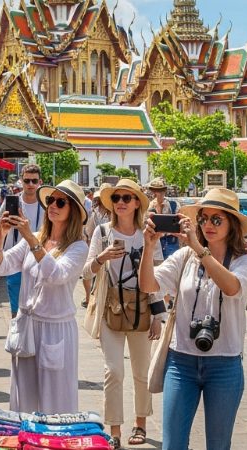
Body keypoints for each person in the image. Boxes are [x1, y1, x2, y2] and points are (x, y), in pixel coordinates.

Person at [139, 188, 247, 450]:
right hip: (181, 361)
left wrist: (198, 247)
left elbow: (232, 288)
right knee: (173, 445)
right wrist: (148, 247)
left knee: (218, 444)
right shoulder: (184, 258)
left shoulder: (246, 260)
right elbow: (148, 285)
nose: (208, 225)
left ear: (233, 225)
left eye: (217, 219)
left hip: (224, 363)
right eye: (203, 218)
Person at [0, 180, 88, 414]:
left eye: (60, 202)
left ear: (72, 210)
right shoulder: (33, 238)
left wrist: (32, 240)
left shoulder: (78, 247)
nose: (53, 205)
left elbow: (56, 275)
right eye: (50, 200)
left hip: (56, 329)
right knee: (25, 399)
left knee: (56, 400)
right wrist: (1, 236)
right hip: (27, 326)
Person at [82, 179, 164, 449]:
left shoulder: (147, 233)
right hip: (111, 308)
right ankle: (114, 429)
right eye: (116, 198)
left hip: (141, 307)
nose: (120, 202)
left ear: (137, 203)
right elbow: (85, 272)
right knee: (113, 371)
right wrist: (102, 257)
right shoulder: (102, 232)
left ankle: (140, 424)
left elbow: (159, 276)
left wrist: (158, 317)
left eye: (126, 198)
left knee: (142, 372)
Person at [0, 165, 43, 318]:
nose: (30, 184)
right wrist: (4, 226)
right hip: (15, 260)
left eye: (34, 181)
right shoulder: (13, 201)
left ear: (40, 182)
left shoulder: (46, 203)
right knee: (16, 309)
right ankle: (16, 338)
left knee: (38, 307)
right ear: (21, 181)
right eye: (27, 180)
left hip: (38, 258)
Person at [81, 183, 112, 309]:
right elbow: (89, 228)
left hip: (108, 246)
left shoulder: (112, 211)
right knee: (89, 273)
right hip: (94, 244)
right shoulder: (95, 210)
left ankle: (96, 298)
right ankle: (89, 297)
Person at [147, 178, 180, 259]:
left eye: (160, 190)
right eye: (155, 191)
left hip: (171, 242)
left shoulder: (173, 204)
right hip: (156, 244)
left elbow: (178, 222)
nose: (158, 193)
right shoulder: (149, 206)